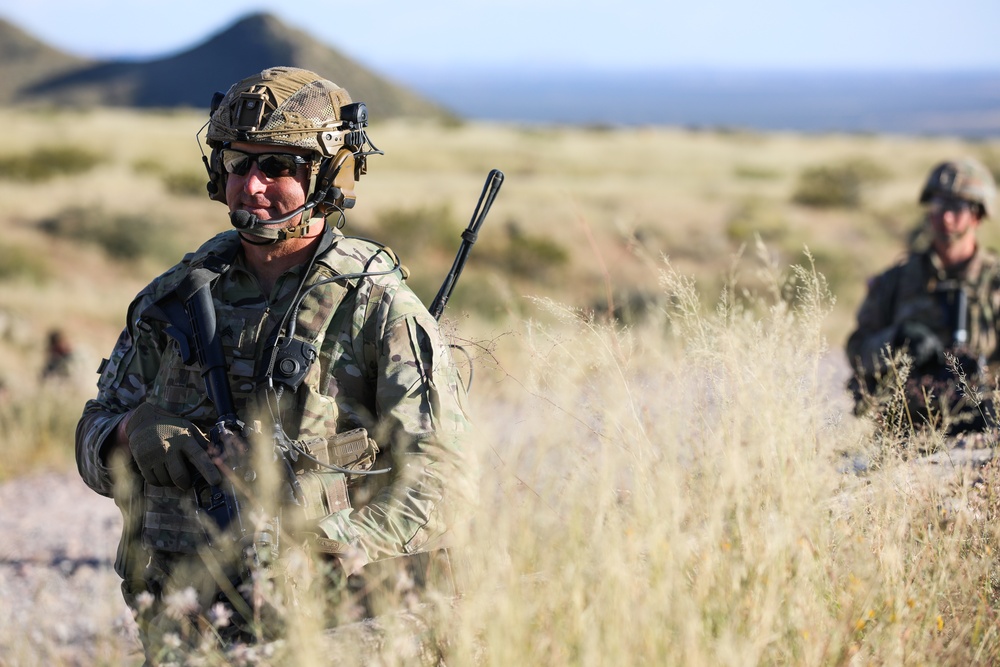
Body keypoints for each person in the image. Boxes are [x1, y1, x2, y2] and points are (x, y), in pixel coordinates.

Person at [75, 66, 476, 662]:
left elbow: (442, 483)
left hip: (331, 626)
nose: (253, 185)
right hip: (183, 623)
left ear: (329, 175)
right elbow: (90, 442)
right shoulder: (175, 299)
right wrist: (130, 433)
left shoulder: (376, 307)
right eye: (239, 164)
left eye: (279, 166)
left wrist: (322, 545)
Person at [845, 157, 1000, 435]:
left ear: (977, 215)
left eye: (957, 207)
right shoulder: (897, 281)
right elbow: (857, 352)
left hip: (984, 430)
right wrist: (896, 339)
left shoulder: (995, 284)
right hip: (907, 428)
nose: (945, 216)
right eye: (938, 204)